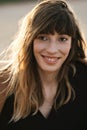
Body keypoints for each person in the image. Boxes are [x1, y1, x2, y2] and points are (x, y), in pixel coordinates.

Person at [0, 0, 87, 129]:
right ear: (29, 40)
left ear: (72, 43)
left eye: (62, 39)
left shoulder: (84, 77)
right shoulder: (5, 82)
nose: (52, 49)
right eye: (43, 38)